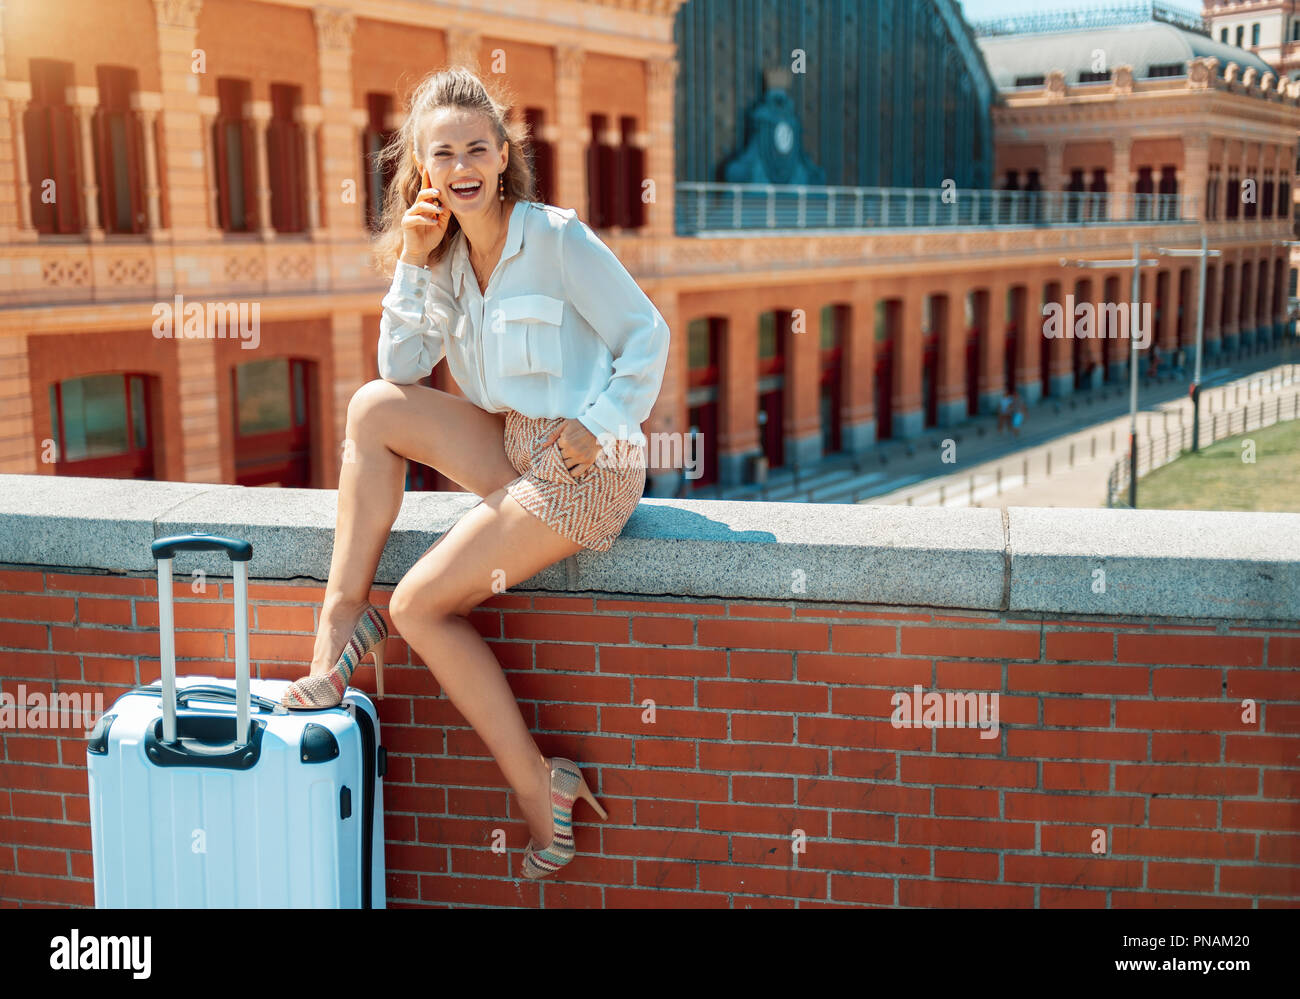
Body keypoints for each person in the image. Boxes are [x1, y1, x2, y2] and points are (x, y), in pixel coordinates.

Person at [280, 66, 670, 880]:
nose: (461, 166)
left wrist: (597, 428)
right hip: (513, 444)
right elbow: (399, 366)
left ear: (501, 157)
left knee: (421, 604)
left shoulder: (555, 239)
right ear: (423, 168)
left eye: (475, 149)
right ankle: (340, 628)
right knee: (370, 409)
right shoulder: (446, 256)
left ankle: (541, 785)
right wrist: (416, 263)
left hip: (586, 467)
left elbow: (647, 334)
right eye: (443, 153)